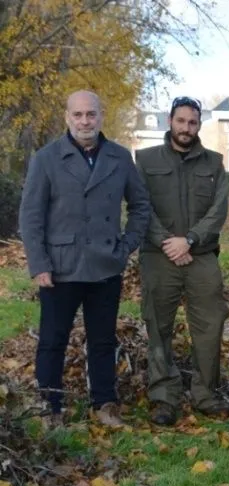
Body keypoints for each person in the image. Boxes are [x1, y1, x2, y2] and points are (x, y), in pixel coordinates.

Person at [18, 90, 151, 428]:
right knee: (53, 341)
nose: (84, 121)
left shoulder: (120, 157)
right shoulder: (46, 158)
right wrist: (39, 264)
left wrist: (125, 247)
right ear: (67, 117)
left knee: (103, 340)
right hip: (60, 267)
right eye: (77, 115)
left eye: (91, 114)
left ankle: (104, 404)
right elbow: (31, 216)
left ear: (100, 116)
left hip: (105, 264)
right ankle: (49, 407)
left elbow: (140, 207)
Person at [136, 96, 229, 425]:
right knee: (158, 326)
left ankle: (206, 394)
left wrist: (189, 239)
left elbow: (219, 210)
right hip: (158, 255)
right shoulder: (145, 160)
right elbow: (140, 206)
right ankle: (164, 397)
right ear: (170, 121)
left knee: (210, 325)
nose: (186, 128)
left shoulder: (214, 163)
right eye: (181, 121)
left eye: (192, 122)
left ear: (199, 125)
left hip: (201, 255)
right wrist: (168, 242)